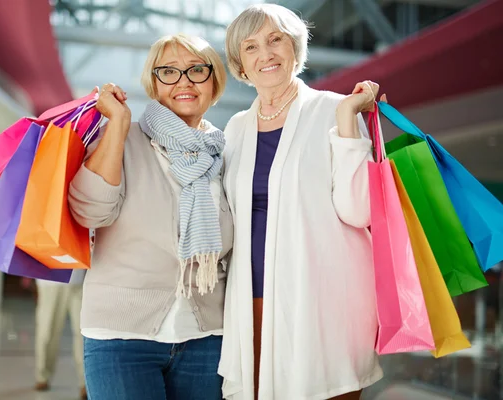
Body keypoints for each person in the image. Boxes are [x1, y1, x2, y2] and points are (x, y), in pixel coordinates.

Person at [219, 4, 387, 399]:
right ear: (240, 64)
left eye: (275, 39)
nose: (266, 54)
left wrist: (348, 117)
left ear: (295, 47)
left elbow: (359, 210)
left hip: (320, 302)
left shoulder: (332, 108)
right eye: (251, 46)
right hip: (252, 302)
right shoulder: (236, 128)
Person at [67, 33, 233, 400]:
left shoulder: (224, 154)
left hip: (206, 340)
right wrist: (118, 124)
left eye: (196, 70)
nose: (184, 81)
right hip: (122, 339)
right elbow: (89, 211)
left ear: (214, 80)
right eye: (168, 72)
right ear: (154, 84)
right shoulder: (124, 139)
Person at [27, 270, 87, 400]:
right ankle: (42, 376)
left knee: (84, 332)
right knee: (47, 332)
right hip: (50, 280)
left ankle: (86, 382)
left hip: (78, 280)